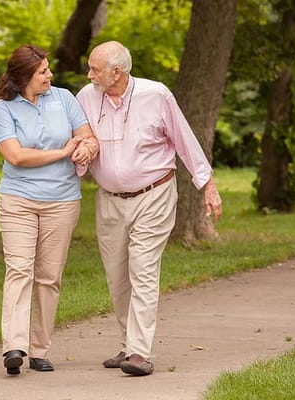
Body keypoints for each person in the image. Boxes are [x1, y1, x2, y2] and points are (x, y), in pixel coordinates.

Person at [75, 41, 222, 376]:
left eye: (94, 69)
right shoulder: (86, 96)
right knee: (116, 276)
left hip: (153, 195)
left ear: (117, 71)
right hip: (110, 199)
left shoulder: (156, 95)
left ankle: (140, 352)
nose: (89, 74)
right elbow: (81, 139)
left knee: (142, 269)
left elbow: (184, 139)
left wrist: (207, 184)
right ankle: (128, 345)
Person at [0, 45, 99, 376]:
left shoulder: (64, 99)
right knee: (20, 270)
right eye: (43, 72)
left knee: (49, 277)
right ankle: (13, 346)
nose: (50, 75)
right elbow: (16, 156)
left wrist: (86, 149)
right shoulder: (3, 109)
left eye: (48, 69)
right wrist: (63, 152)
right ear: (24, 78)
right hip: (18, 200)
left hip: (62, 201)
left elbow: (87, 137)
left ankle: (39, 349)